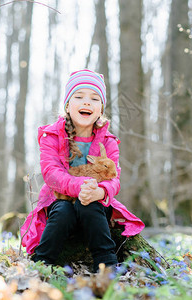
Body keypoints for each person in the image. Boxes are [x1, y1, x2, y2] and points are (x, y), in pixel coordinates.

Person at [20, 69, 144, 272]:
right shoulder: (52, 136)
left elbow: (114, 178)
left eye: (94, 99)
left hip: (94, 203)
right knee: (63, 211)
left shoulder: (108, 141)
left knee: (90, 204)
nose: (87, 102)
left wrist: (101, 191)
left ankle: (106, 265)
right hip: (60, 200)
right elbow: (51, 173)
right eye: (79, 96)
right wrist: (80, 187)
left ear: (101, 109)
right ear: (68, 105)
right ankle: (42, 263)